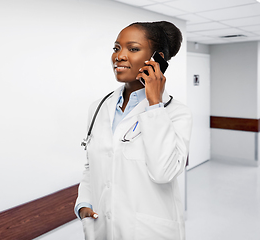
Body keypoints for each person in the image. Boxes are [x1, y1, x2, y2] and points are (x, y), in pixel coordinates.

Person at [75, 21, 192, 240]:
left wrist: (154, 104)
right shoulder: (99, 107)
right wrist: (83, 204)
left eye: (133, 49)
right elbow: (92, 165)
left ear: (158, 60)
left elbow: (163, 172)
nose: (119, 56)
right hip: (103, 228)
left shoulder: (176, 113)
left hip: (149, 232)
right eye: (116, 48)